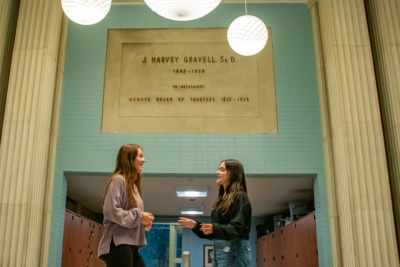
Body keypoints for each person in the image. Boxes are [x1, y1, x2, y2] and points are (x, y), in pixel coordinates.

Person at [178, 159, 252, 267]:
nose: (217, 172)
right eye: (218, 169)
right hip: (221, 250)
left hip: (234, 249)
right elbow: (218, 232)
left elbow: (236, 228)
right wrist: (196, 226)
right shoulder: (221, 200)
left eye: (222, 170)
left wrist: (214, 228)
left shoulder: (239, 196)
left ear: (233, 173)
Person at [98, 144, 154, 267]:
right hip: (118, 244)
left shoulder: (133, 186)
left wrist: (143, 221)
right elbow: (111, 211)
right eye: (140, 156)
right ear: (129, 159)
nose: (143, 160)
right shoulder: (118, 180)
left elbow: (129, 215)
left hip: (129, 245)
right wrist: (139, 217)